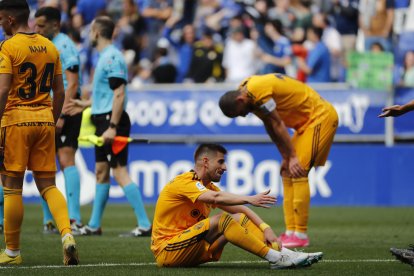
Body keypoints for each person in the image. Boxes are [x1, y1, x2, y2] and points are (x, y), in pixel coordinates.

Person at [151, 143, 323, 268]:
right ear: (205, 162)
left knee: (239, 218)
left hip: (192, 248)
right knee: (223, 220)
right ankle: (275, 258)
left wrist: (265, 228)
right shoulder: (184, 182)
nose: (225, 167)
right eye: (220, 162)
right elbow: (217, 198)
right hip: (168, 251)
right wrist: (249, 198)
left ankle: (284, 253)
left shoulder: (208, 187)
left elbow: (240, 210)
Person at [219, 73, 338, 248]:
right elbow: (270, 127)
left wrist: (293, 157)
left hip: (320, 117)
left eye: (240, 113)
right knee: (287, 171)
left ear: (240, 100)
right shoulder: (249, 96)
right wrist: (286, 157)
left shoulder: (257, 91)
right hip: (304, 124)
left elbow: (277, 123)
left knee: (299, 170)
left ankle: (301, 234)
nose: (243, 116)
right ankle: (290, 232)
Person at [0, 0, 78, 265]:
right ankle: (67, 234)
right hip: (45, 121)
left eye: (0, 19)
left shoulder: (8, 47)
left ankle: (12, 252)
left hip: (15, 120)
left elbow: (2, 90)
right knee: (49, 186)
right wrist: (51, 120)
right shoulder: (50, 46)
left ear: (10, 20)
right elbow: (61, 91)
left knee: (11, 188)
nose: (0, 23)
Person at [66, 16, 151, 237]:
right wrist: (84, 104)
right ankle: (94, 225)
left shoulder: (113, 57)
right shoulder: (104, 56)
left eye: (90, 30)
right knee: (101, 172)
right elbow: (106, 95)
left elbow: (119, 94)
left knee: (119, 172)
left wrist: (112, 126)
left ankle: (145, 224)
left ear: (96, 31)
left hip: (112, 122)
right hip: (103, 119)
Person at [34, 6, 83, 235]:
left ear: (56, 24)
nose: (37, 28)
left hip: (65, 109)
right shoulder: (43, 44)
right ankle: (49, 220)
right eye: (37, 24)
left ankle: (73, 218)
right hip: (46, 107)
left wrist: (62, 113)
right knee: (45, 162)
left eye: (42, 25)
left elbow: (72, 83)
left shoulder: (64, 45)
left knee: (66, 159)